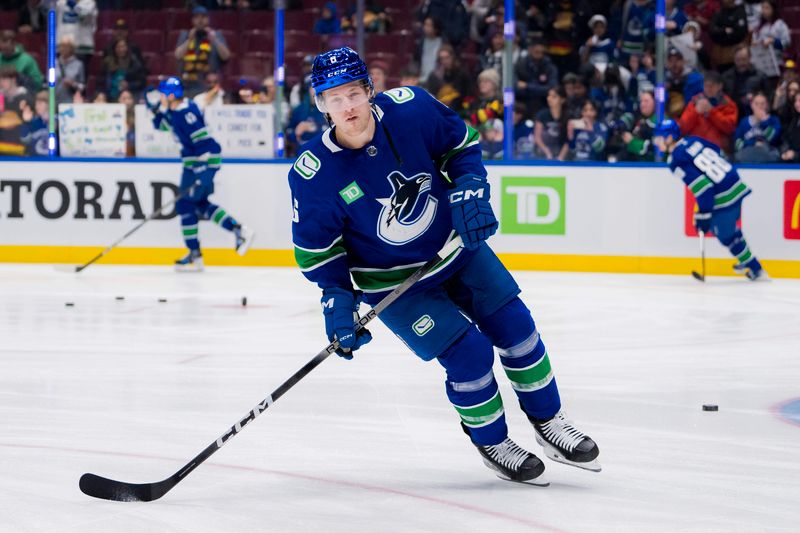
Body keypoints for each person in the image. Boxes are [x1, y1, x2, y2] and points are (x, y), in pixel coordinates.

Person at [287, 47, 601, 485]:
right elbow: (321, 252)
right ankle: (493, 442)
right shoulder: (313, 173)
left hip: (458, 249)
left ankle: (550, 424)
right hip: (396, 285)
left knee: (518, 330)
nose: (348, 107)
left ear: (370, 91)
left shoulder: (412, 109)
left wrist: (471, 185)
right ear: (321, 104)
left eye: (354, 93)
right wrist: (337, 299)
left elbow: (461, 146)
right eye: (334, 98)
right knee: (469, 356)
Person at [147, 77, 254, 272]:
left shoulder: (185, 113)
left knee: (186, 204)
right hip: (193, 165)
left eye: (163, 94)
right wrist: (155, 112)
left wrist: (206, 170)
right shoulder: (178, 110)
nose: (160, 97)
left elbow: (204, 142)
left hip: (201, 163)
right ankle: (234, 232)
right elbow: (164, 126)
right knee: (198, 204)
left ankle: (199, 252)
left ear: (171, 96)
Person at [654, 119, 768, 280]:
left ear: (670, 137)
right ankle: (746, 259)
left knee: (725, 235)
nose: (657, 141)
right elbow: (718, 152)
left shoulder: (675, 160)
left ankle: (756, 269)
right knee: (729, 231)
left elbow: (704, 188)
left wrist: (704, 213)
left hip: (723, 195)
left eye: (659, 137)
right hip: (734, 182)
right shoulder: (692, 140)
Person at [174, 6, 231, 98]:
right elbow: (177, 55)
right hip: (189, 85)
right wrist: (189, 40)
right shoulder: (185, 35)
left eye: (203, 17)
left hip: (209, 86)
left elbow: (226, 56)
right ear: (192, 20)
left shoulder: (216, 34)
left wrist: (214, 40)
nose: (200, 21)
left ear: (208, 19)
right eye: (196, 17)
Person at [678, 70, 738, 154]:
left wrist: (711, 112)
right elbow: (683, 127)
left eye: (712, 86)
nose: (708, 89)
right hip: (695, 149)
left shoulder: (728, 104)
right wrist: (696, 112)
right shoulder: (695, 102)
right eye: (706, 86)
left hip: (718, 150)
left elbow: (729, 128)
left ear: (719, 86)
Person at [733, 92, 780, 162]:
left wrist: (764, 122)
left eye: (762, 104)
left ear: (767, 105)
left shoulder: (773, 120)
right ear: (751, 105)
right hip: (746, 157)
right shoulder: (744, 122)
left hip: (767, 158)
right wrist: (753, 143)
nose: (759, 106)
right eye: (756, 104)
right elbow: (738, 143)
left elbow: (771, 138)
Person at [0, 29, 43, 94]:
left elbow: (37, 83)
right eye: (2, 49)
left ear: (13, 44)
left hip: (22, 96)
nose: (4, 50)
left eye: (6, 48)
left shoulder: (27, 60)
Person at [56, 0, 97, 66]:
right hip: (62, 48)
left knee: (81, 74)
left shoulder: (89, 3)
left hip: (82, 48)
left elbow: (84, 14)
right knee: (60, 75)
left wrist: (71, 4)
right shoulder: (60, 3)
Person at [534, 86, 568, 160]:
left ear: (562, 100)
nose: (549, 99)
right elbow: (537, 138)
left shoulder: (568, 117)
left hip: (563, 155)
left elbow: (569, 140)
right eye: (549, 95)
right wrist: (547, 153)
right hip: (542, 154)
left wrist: (561, 157)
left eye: (554, 96)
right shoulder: (541, 115)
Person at [54, 36, 85, 104]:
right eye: (61, 46)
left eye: (66, 46)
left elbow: (82, 87)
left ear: (72, 48)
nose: (63, 48)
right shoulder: (53, 63)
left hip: (70, 102)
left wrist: (72, 84)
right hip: (54, 101)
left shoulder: (78, 65)